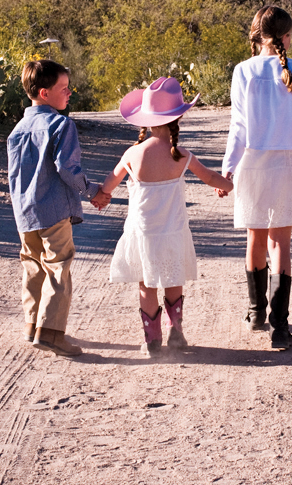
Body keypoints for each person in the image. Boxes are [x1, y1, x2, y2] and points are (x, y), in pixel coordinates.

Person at [100, 77, 233, 357]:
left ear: (145, 121)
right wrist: (228, 185)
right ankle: (177, 332)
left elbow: (109, 184)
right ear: (178, 119)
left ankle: (151, 339)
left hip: (143, 234)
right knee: (173, 279)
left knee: (146, 284)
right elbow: (210, 177)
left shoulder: (133, 154)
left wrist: (100, 195)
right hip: (173, 232)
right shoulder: (181, 156)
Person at [221, 6, 292, 350]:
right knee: (281, 242)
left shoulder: (242, 70)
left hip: (253, 161)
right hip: (287, 163)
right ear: (286, 36)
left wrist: (228, 166)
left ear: (257, 35)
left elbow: (238, 125)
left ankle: (256, 313)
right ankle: (280, 328)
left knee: (255, 237)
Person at [7, 59, 110, 357]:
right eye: (63, 89)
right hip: (53, 210)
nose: (69, 94)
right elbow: (67, 167)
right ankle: (51, 332)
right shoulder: (60, 124)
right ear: (44, 93)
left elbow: (15, 175)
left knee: (33, 267)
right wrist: (92, 191)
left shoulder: (18, 129)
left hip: (25, 213)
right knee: (58, 267)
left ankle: (32, 325)